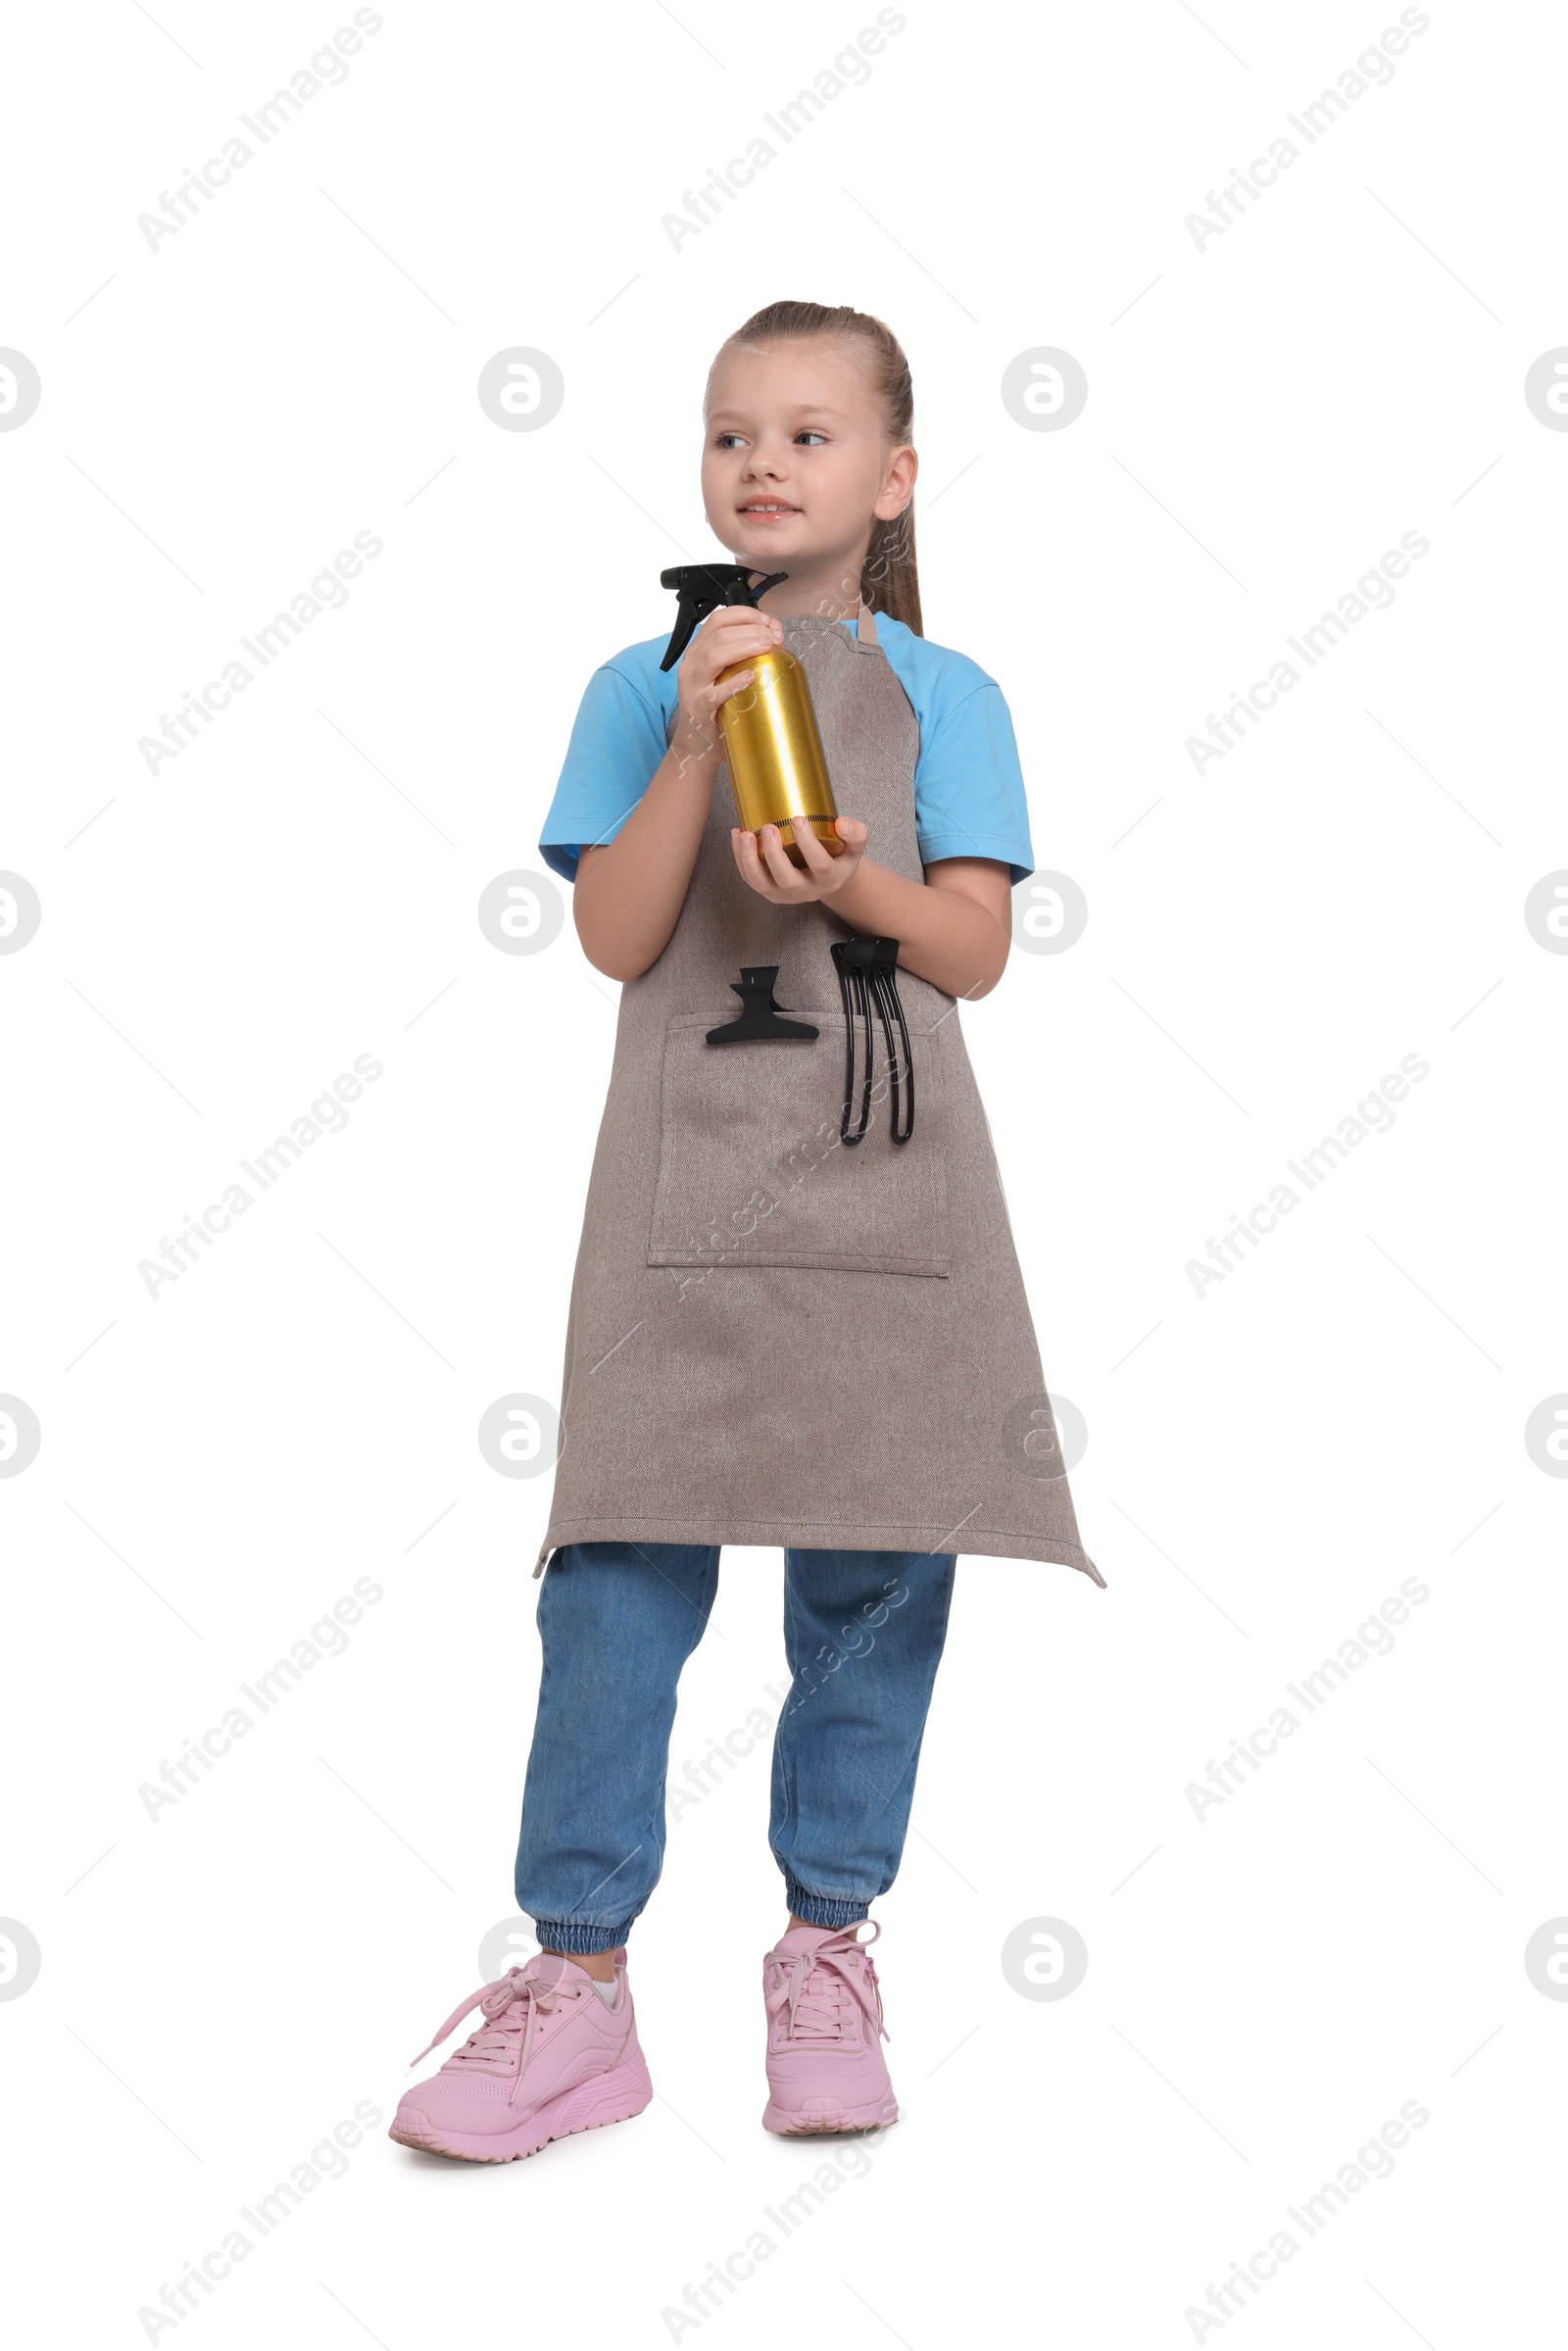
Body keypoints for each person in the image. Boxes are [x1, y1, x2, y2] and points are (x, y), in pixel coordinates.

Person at [390, 300, 1101, 2166]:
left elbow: (970, 953)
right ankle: (579, 1992)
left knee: (873, 1586)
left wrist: (850, 873)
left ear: (895, 475)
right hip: (684, 1200)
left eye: (805, 433)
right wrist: (703, 752)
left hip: (888, 1192)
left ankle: (825, 1953)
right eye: (730, 436)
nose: (763, 464)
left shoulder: (956, 699)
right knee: (618, 1582)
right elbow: (621, 938)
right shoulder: (643, 683)